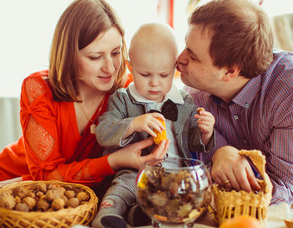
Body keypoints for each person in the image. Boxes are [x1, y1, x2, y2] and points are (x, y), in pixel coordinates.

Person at [0, 0, 169, 197]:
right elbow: (46, 177)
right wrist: (115, 160)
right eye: (95, 57)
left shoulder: (128, 89)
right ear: (69, 55)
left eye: (116, 53)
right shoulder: (38, 88)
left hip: (73, 196)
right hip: (10, 183)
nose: (110, 68)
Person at [176, 0, 293, 205]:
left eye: (194, 57)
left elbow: (282, 189)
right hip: (255, 184)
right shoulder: (194, 93)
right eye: (186, 46)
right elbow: (199, 158)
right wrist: (218, 151)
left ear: (230, 71)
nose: (179, 59)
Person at [91, 23, 215, 228]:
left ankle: (139, 215)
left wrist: (205, 133)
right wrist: (133, 124)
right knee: (123, 187)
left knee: (186, 194)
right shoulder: (122, 99)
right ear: (131, 68)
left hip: (177, 173)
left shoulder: (185, 101)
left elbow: (194, 142)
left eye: (164, 75)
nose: (155, 84)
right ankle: (107, 213)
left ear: (174, 69)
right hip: (136, 170)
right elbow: (103, 132)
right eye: (146, 75)